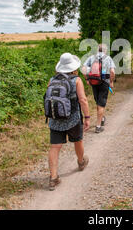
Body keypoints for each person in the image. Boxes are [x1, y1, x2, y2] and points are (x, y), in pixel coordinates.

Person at [47, 53, 91, 191]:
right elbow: (83, 100)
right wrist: (87, 117)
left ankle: (53, 177)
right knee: (78, 141)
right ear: (73, 67)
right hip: (73, 119)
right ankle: (81, 162)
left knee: (55, 147)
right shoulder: (76, 80)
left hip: (55, 120)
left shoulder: (52, 79)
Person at [82, 44, 116, 133]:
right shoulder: (108, 58)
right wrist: (111, 82)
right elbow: (112, 72)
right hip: (104, 82)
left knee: (98, 102)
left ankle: (102, 118)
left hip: (94, 82)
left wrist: (87, 79)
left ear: (97, 50)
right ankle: (98, 126)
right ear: (105, 50)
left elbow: (83, 69)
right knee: (101, 104)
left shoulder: (91, 57)